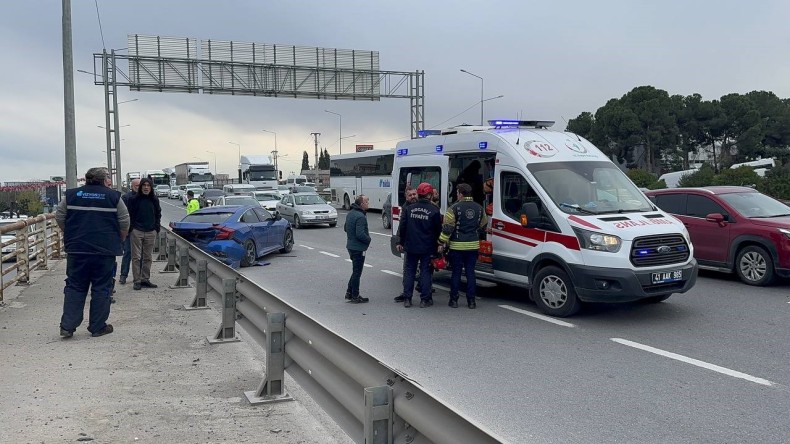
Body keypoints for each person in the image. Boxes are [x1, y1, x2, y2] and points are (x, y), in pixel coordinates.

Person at [57, 167, 129, 338]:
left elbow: (60, 216)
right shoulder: (114, 197)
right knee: (102, 287)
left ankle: (67, 326)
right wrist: (119, 239)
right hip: (104, 251)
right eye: (109, 179)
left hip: (77, 250)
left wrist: (70, 234)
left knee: (75, 286)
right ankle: (98, 327)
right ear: (104, 180)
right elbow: (124, 221)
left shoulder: (71, 195)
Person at [438, 183, 487, 309]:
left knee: (456, 273)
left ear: (460, 193)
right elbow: (483, 226)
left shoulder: (453, 209)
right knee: (471, 273)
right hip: (473, 246)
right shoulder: (480, 208)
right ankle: (471, 302)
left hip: (457, 247)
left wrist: (441, 242)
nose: (456, 195)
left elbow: (448, 228)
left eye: (457, 193)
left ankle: (453, 300)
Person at [396, 183, 442, 308]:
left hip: (411, 246)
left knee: (410, 271)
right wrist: (440, 244)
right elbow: (438, 230)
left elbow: (403, 227)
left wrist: (400, 242)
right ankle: (425, 299)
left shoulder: (409, 209)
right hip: (427, 247)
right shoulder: (434, 209)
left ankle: (407, 299)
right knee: (425, 272)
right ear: (429, 195)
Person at [127, 178, 162, 291]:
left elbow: (158, 214)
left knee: (148, 257)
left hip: (151, 231)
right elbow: (129, 215)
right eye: (144, 185)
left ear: (151, 187)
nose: (146, 187)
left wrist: (156, 228)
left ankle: (145, 279)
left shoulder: (154, 199)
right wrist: (131, 229)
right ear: (141, 187)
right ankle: (137, 281)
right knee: (136, 257)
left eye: (148, 185)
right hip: (137, 231)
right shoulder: (133, 199)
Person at [344, 194, 371, 303]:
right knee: (357, 272)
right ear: (361, 204)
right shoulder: (360, 216)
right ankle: (355, 295)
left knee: (355, 271)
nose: (368, 203)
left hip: (350, 246)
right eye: (367, 201)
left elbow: (346, 228)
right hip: (358, 248)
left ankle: (349, 292)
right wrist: (368, 239)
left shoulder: (350, 213)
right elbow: (360, 234)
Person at [394, 186, 418, 303]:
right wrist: (399, 241)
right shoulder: (405, 208)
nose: (413, 196)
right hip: (410, 244)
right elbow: (402, 227)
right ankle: (406, 294)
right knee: (407, 270)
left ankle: (425, 295)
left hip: (423, 244)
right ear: (406, 196)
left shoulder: (423, 205)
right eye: (410, 195)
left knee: (425, 269)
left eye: (414, 194)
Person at [118, 178, 140, 285]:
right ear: (132, 186)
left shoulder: (146, 198)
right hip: (129, 230)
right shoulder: (126, 198)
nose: (139, 187)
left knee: (141, 255)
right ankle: (123, 275)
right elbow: (123, 215)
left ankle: (139, 276)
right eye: (136, 185)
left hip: (141, 230)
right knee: (127, 253)